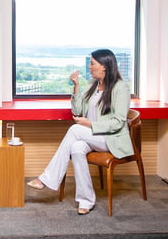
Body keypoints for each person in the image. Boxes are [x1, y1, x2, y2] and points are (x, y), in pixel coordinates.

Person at [27, 49, 133, 215]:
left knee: (76, 129)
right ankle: (86, 200)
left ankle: (46, 179)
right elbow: (78, 110)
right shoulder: (93, 85)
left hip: (111, 139)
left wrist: (91, 124)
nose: (89, 67)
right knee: (76, 149)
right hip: (92, 136)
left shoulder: (121, 88)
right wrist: (76, 86)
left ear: (104, 66)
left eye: (92, 63)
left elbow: (118, 122)